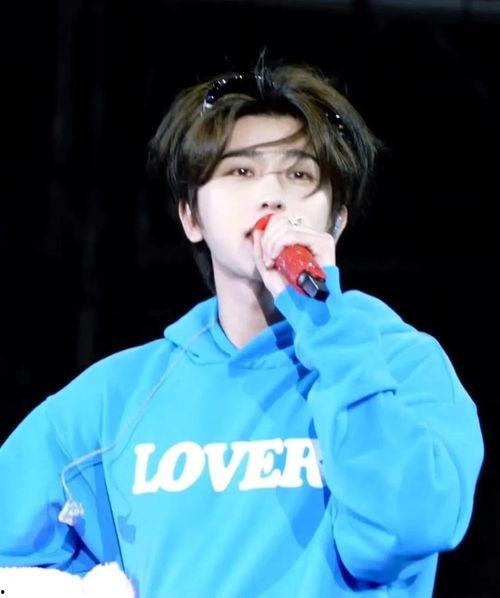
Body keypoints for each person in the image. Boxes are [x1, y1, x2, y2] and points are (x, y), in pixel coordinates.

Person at [0, 59, 484, 597]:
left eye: (300, 175)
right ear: (191, 217)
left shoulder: (401, 363)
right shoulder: (117, 399)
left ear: (337, 219)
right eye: (241, 172)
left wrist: (326, 325)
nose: (272, 195)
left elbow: (409, 527)